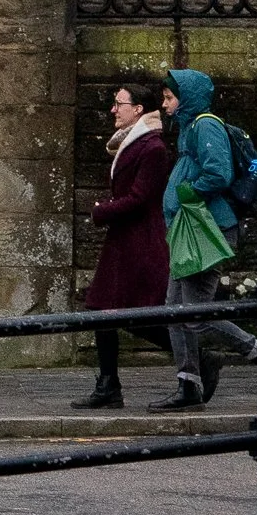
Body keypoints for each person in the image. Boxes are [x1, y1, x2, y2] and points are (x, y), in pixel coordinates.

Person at [153, 65, 257, 411]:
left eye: (170, 98)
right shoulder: (188, 130)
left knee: (195, 312)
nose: (165, 104)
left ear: (187, 98)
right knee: (175, 310)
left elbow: (219, 172)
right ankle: (188, 384)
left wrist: (189, 190)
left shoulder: (205, 125)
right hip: (190, 230)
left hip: (208, 230)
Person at [72, 75, 172, 410]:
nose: (114, 109)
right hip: (124, 240)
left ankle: (198, 357)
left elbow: (141, 198)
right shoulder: (132, 142)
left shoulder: (153, 147)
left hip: (140, 241)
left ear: (139, 109)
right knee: (103, 309)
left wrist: (103, 211)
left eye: (120, 103)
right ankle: (108, 384)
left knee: (134, 314)